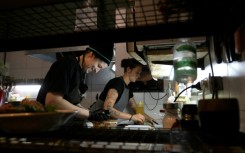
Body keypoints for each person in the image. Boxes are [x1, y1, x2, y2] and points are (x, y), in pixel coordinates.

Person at [36, 43, 114, 121]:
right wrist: (89, 115)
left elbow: (73, 103)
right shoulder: (67, 63)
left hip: (60, 124)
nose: (96, 71)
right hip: (46, 123)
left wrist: (91, 113)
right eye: (99, 66)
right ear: (91, 54)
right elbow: (52, 102)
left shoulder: (81, 73)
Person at [90, 58, 156, 125]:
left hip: (106, 124)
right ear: (128, 70)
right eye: (137, 72)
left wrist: (150, 119)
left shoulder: (128, 88)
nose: (139, 76)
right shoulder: (117, 83)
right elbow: (107, 109)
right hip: (94, 123)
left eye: (139, 73)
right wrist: (132, 117)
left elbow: (134, 108)